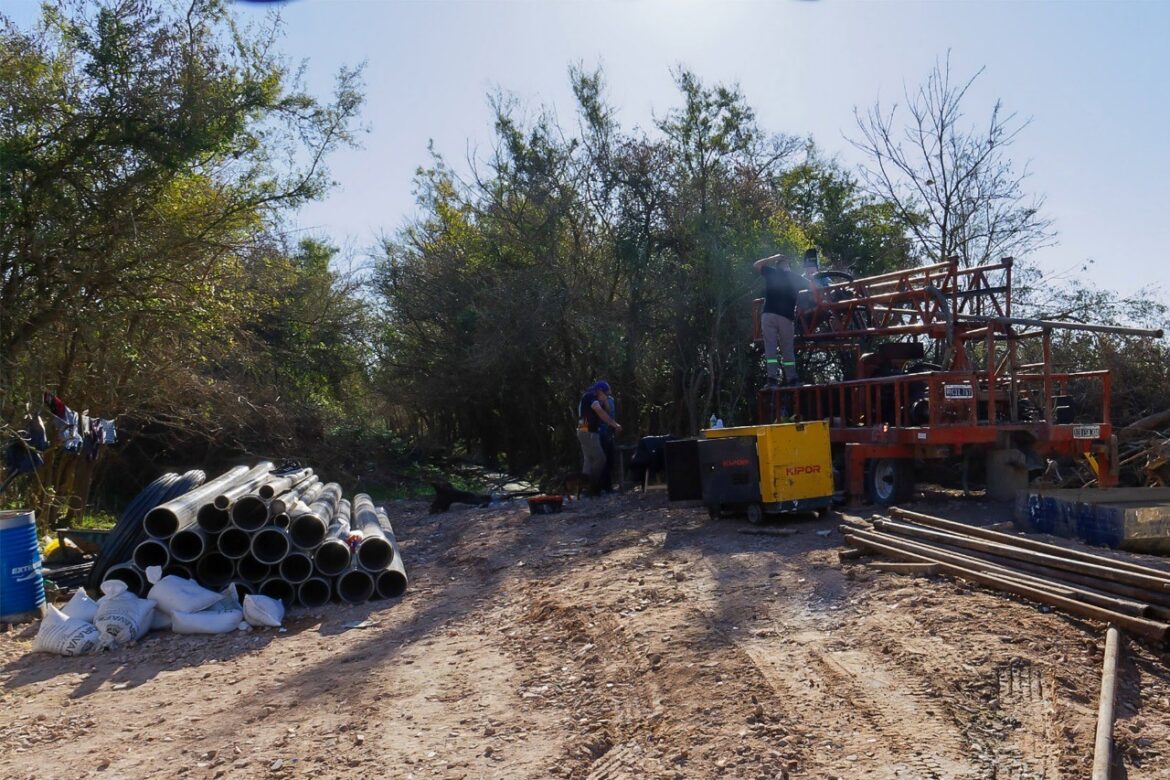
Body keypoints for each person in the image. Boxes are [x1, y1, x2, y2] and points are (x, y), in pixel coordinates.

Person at [753, 251, 810, 388]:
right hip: (785, 317)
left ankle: (772, 380)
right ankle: (792, 379)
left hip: (768, 316)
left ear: (777, 265)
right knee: (787, 350)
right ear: (788, 266)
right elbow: (812, 286)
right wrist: (805, 304)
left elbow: (756, 265)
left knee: (770, 350)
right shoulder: (794, 277)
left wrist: (773, 257)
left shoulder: (771, 272)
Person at [578, 380, 622, 496]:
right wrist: (615, 424)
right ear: (600, 391)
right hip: (588, 431)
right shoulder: (591, 397)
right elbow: (601, 414)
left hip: (584, 429)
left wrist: (606, 402)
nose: (607, 396)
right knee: (600, 459)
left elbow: (604, 412)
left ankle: (585, 489)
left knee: (588, 460)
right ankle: (593, 485)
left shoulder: (592, 397)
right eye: (606, 394)